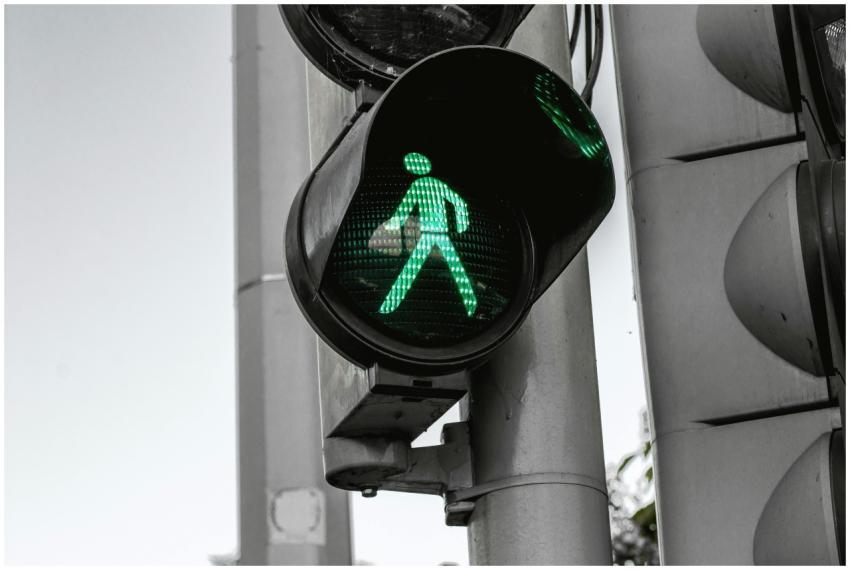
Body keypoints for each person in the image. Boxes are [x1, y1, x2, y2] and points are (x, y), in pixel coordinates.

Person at [379, 152, 478, 317]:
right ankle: (471, 304)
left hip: (428, 234)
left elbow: (405, 207)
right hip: (441, 232)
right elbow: (459, 202)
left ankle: (390, 304)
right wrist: (461, 225)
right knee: (457, 269)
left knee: (411, 268)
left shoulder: (418, 185)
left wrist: (393, 225)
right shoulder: (438, 184)